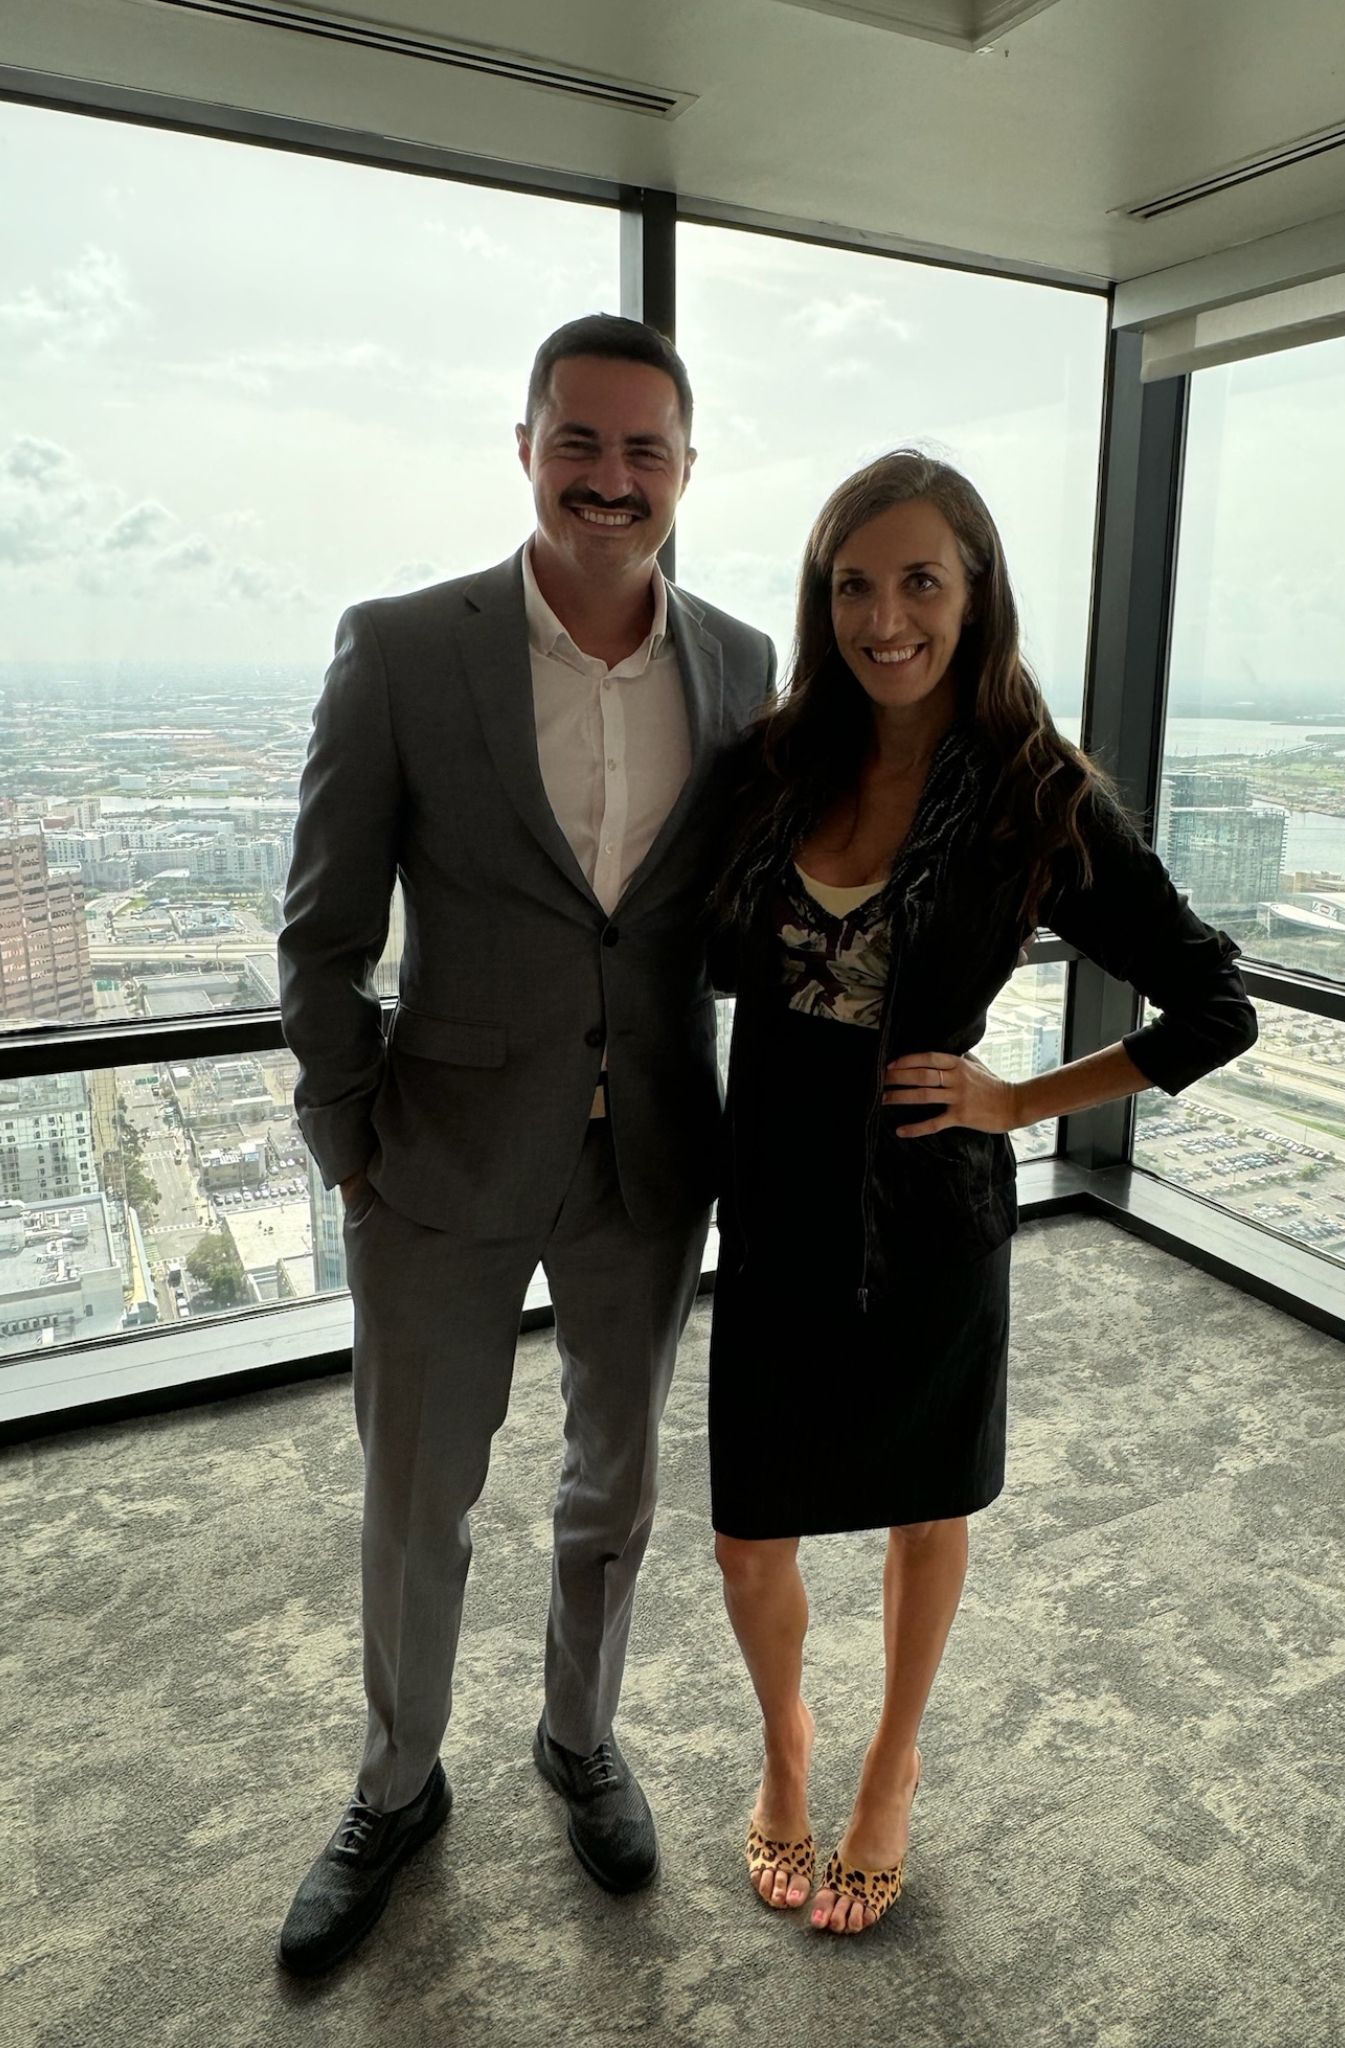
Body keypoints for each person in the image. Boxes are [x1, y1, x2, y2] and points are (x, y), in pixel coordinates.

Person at [275, 314, 775, 1975]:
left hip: (649, 1161)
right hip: (434, 1159)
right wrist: (348, 1138)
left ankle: (581, 1740)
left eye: (647, 450)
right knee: (420, 1498)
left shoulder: (743, 664)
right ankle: (396, 1785)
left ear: (688, 471)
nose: (612, 477)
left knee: (611, 1491)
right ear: (527, 447)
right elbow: (324, 932)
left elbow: (734, 922)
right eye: (582, 441)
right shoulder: (407, 647)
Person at [707, 451, 1258, 1935]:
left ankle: (889, 1762)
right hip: (770, 1204)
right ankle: (787, 1744)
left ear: (976, 592)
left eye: (919, 582)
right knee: (747, 1530)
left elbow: (1213, 1001)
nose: (886, 618)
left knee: (922, 1503)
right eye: (854, 585)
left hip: (930, 1212)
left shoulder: (1037, 794)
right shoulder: (777, 760)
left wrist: (1020, 1099)